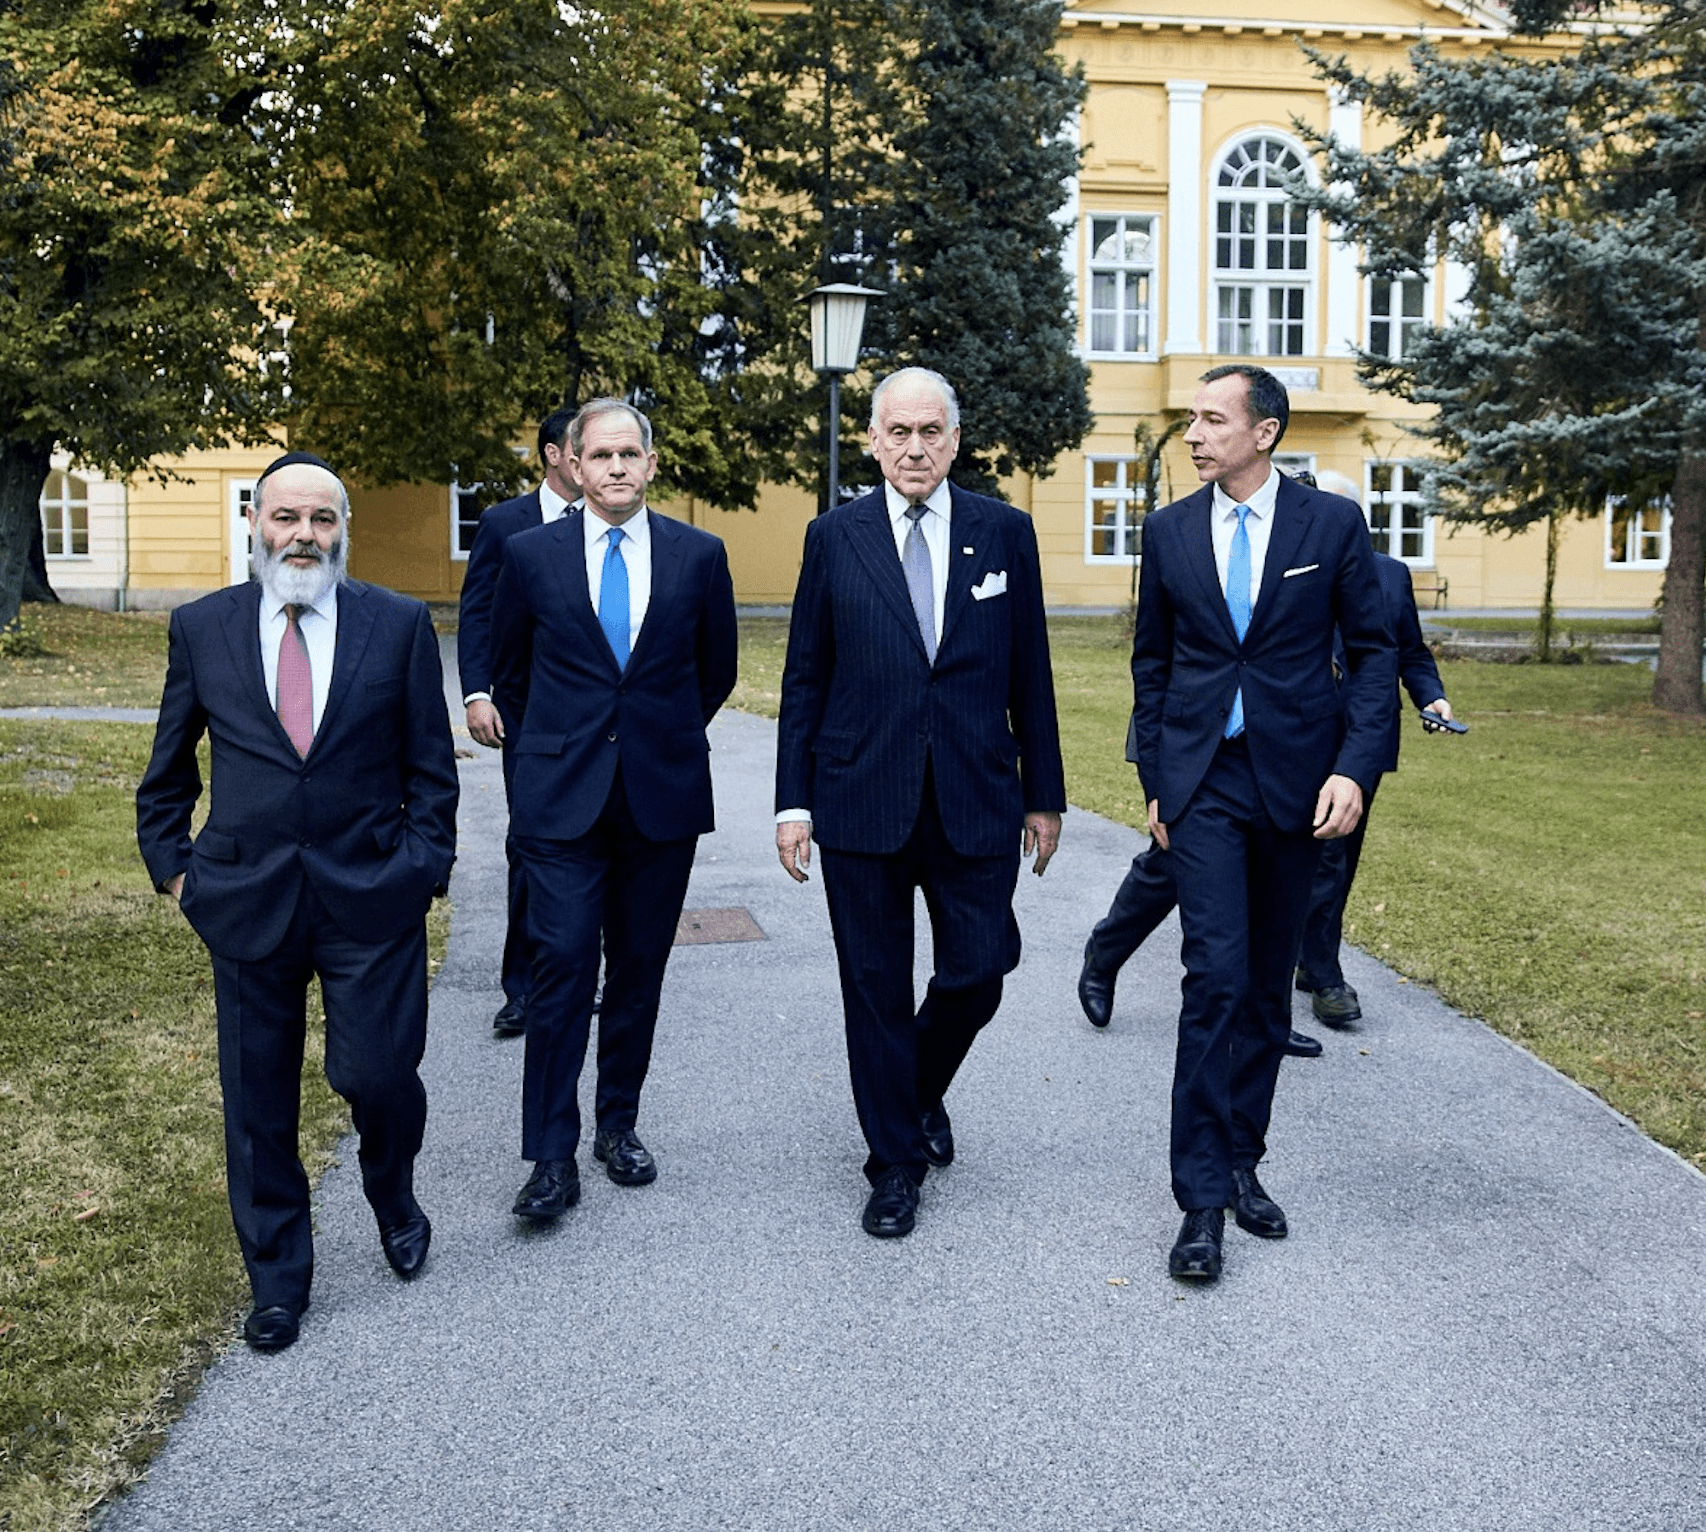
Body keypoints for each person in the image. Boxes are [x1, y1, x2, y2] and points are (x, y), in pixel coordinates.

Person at [136, 452, 459, 1352]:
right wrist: (180, 875)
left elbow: (432, 772)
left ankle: (392, 1192)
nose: (303, 536)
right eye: (287, 518)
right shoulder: (202, 628)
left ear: (342, 530)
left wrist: (422, 870)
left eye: (322, 519)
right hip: (245, 901)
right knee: (258, 1104)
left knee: (379, 1076)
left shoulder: (394, 625)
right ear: (255, 524)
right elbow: (165, 777)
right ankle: (279, 1280)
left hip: (371, 897)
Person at [774, 367, 1066, 1240]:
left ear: (955, 439)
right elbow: (804, 679)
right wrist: (793, 803)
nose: (913, 448)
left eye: (930, 431)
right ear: (872, 440)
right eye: (897, 432)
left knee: (981, 969)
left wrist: (1044, 795)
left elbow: (1033, 673)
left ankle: (912, 1090)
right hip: (860, 795)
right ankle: (894, 1164)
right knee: (872, 988)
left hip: (977, 794)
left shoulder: (1003, 532)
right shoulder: (835, 537)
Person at [1129, 365, 1395, 1283]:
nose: (1194, 435)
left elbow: (1371, 655)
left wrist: (1354, 770)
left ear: (1265, 432)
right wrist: (1158, 780)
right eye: (1191, 420)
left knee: (1264, 991)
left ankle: (1244, 1161)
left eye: (1212, 419)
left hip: (1297, 785)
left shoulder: (1331, 527)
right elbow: (1152, 663)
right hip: (1204, 783)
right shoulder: (1167, 533)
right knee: (1214, 976)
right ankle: (1200, 1201)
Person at [490, 398, 737, 1220]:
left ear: (652, 465)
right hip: (560, 805)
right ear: (573, 464)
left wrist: (651, 738)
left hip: (659, 799)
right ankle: (550, 1157)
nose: (618, 467)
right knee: (561, 965)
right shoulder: (529, 556)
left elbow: (716, 672)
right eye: (602, 455)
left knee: (637, 970)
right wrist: (552, 754)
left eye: (631, 453)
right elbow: (511, 674)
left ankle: (617, 1124)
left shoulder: (700, 556)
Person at [457, 409, 578, 1038]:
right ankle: (525, 986)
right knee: (531, 842)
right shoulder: (506, 523)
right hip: (526, 713)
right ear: (557, 455)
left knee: (598, 842)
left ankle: (579, 971)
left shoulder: (621, 523)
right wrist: (478, 693)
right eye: (586, 446)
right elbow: (476, 614)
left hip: (596, 716)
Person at [1295, 548, 1453, 1024]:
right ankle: (1323, 975)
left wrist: (1434, 696)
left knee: (1344, 855)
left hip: (1369, 739)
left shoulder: (1390, 574)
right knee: (1326, 855)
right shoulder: (1292, 566)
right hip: (1306, 736)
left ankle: (1309, 957)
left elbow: (1410, 649)